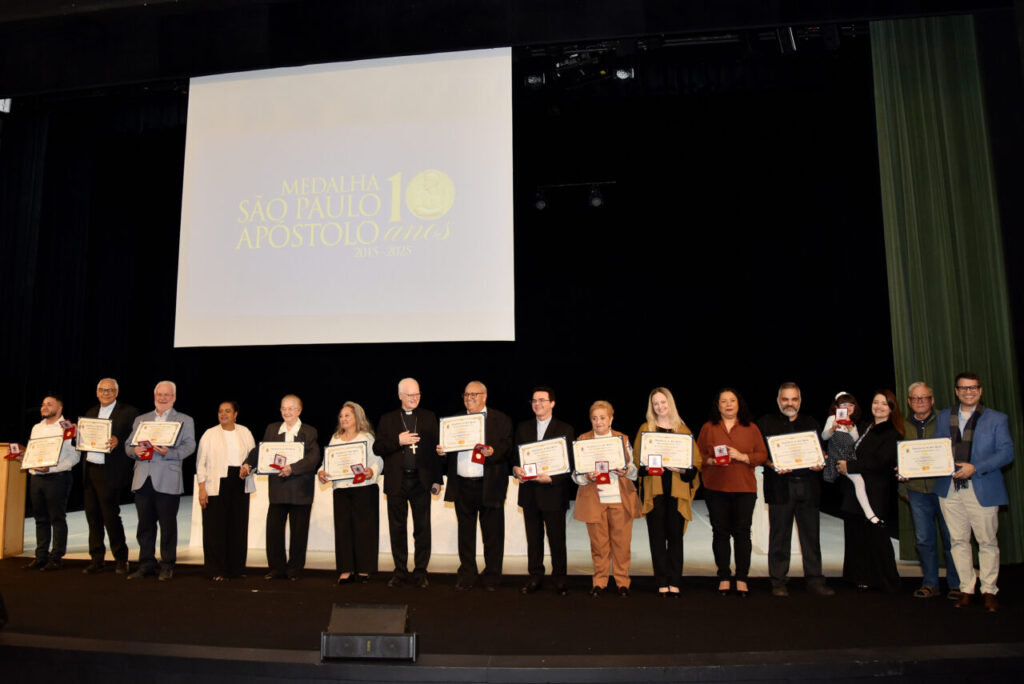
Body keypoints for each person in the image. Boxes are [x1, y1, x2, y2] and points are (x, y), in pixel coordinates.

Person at [935, 372, 1015, 612]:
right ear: (956, 391)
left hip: (982, 487)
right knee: (958, 541)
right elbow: (935, 449)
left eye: (972, 388)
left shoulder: (997, 419)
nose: (968, 392)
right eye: (963, 388)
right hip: (949, 489)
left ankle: (989, 589)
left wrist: (975, 468)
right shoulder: (943, 417)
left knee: (987, 542)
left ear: (980, 391)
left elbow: (1006, 453)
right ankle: (966, 588)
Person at [757, 382, 834, 597]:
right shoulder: (766, 422)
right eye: (785, 399)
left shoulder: (811, 422)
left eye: (794, 399)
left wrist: (821, 462)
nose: (790, 403)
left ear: (800, 401)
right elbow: (759, 454)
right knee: (779, 536)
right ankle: (778, 581)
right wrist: (772, 464)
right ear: (778, 400)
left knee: (811, 537)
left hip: (809, 486)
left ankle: (815, 579)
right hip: (780, 487)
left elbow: (820, 452)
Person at [437, 381, 513, 591]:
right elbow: (447, 452)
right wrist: (443, 452)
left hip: (490, 485)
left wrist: (493, 451)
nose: (469, 398)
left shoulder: (500, 419)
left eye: (474, 394)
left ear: (485, 396)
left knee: (493, 535)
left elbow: (507, 447)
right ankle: (468, 573)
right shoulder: (454, 421)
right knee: (466, 534)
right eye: (466, 394)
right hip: (462, 485)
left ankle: (492, 576)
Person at [696, 388, 767, 597]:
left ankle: (742, 577)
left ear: (739, 404)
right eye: (723, 401)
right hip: (716, 488)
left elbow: (762, 455)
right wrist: (710, 461)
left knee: (743, 532)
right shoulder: (708, 428)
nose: (728, 405)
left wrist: (743, 456)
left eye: (732, 401)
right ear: (717, 406)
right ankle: (724, 576)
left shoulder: (751, 428)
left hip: (744, 488)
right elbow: (698, 456)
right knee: (720, 532)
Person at [241, 394, 320, 581]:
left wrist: (292, 469)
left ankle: (294, 569)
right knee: (274, 531)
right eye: (284, 408)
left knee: (298, 533)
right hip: (278, 489)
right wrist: (248, 464)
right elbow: (260, 451)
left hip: (300, 490)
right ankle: (277, 568)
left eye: (291, 408)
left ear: (299, 410)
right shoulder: (272, 429)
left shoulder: (309, 431)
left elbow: (313, 458)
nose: (287, 412)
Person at [125, 381, 197, 581]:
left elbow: (190, 446)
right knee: (145, 525)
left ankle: (167, 564)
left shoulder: (184, 420)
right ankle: (146, 563)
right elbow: (128, 445)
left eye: (167, 395)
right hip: (142, 479)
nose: (163, 398)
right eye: (159, 394)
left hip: (168, 479)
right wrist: (134, 450)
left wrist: (170, 453)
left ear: (174, 397)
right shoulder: (141, 419)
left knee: (167, 525)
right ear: (154, 395)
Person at [632, 387, 701, 596]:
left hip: (677, 492)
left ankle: (675, 580)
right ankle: (662, 580)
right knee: (657, 537)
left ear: (670, 403)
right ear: (651, 407)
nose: (660, 407)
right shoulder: (646, 429)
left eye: (663, 402)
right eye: (655, 403)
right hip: (655, 492)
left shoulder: (683, 430)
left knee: (676, 537)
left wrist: (684, 469)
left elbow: (695, 462)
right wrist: (651, 466)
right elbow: (637, 462)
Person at [375, 378, 441, 588]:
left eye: (417, 394)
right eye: (410, 395)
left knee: (422, 528)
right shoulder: (388, 419)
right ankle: (400, 571)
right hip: (397, 481)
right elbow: (378, 448)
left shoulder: (429, 417)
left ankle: (421, 571)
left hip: (421, 481)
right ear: (400, 396)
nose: (414, 398)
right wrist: (398, 441)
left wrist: (437, 479)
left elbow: (436, 451)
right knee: (397, 528)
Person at [573, 400, 641, 597]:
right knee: (599, 545)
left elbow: (635, 472)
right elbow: (576, 475)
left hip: (620, 498)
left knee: (621, 544)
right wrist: (586, 477)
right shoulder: (583, 439)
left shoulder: (622, 439)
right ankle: (600, 581)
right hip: (594, 500)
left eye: (602, 418)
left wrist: (626, 470)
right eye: (594, 418)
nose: (598, 422)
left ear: (611, 419)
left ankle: (622, 582)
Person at [837, 390, 902, 593]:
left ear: (892, 408)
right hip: (854, 491)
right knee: (857, 533)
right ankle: (859, 576)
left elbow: (881, 461)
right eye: (876, 402)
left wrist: (850, 467)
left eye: (885, 404)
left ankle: (886, 580)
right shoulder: (866, 427)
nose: (879, 407)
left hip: (875, 490)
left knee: (876, 536)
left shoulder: (892, 433)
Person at [513, 386, 575, 596]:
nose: (537, 404)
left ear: (552, 403)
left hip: (553, 492)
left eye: (542, 400)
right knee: (534, 539)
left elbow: (570, 464)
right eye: (534, 400)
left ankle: (560, 578)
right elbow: (515, 458)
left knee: (557, 539)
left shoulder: (565, 429)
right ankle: (535, 577)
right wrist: (516, 469)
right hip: (529, 492)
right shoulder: (523, 428)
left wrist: (552, 477)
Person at [900, 382, 960, 600]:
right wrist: (902, 486)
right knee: (924, 540)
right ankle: (930, 583)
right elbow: (898, 460)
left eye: (924, 398)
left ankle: (956, 584)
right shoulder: (902, 426)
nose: (920, 402)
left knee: (952, 538)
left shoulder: (946, 421)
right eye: (915, 399)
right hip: (916, 491)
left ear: (932, 400)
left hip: (944, 489)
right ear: (909, 402)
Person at [318, 401, 383, 583]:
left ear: (357, 417)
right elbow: (326, 463)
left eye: (347, 415)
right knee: (343, 530)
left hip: (364, 489)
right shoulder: (335, 438)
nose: (343, 419)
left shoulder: (367, 437)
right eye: (341, 416)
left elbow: (378, 461)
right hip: (341, 489)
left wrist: (372, 471)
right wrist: (321, 472)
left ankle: (364, 569)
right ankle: (346, 570)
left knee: (364, 530)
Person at [80, 378, 138, 575]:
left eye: (110, 390)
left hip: (110, 471)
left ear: (116, 392)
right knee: (92, 516)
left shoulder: (128, 412)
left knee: (110, 516)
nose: (106, 393)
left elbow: (134, 438)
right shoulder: (90, 412)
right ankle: (97, 558)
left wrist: (119, 441)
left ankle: (121, 558)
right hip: (90, 470)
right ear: (97, 392)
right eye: (102, 390)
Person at [196, 401, 255, 581]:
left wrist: (248, 467)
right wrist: (202, 488)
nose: (223, 414)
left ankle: (236, 569)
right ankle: (216, 570)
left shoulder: (245, 432)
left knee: (238, 526)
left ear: (236, 414)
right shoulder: (209, 434)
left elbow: (253, 457)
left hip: (239, 482)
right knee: (215, 528)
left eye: (228, 411)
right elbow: (201, 463)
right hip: (216, 484)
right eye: (220, 411)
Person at [24, 395, 80, 571]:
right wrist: (28, 462)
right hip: (36, 478)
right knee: (40, 518)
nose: (44, 407)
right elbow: (33, 451)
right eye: (43, 404)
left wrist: (52, 469)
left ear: (60, 408)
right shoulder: (36, 428)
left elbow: (74, 456)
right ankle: (41, 556)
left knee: (57, 518)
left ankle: (56, 557)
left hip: (58, 478)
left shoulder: (69, 428)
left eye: (49, 404)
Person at [823, 392, 880, 524]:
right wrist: (833, 428)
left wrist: (849, 427)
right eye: (844, 405)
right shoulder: (832, 419)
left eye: (851, 405)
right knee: (858, 480)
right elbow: (824, 436)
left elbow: (856, 441)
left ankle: (868, 513)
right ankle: (870, 514)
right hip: (837, 456)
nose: (847, 407)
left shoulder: (853, 424)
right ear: (837, 407)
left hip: (849, 457)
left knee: (859, 481)